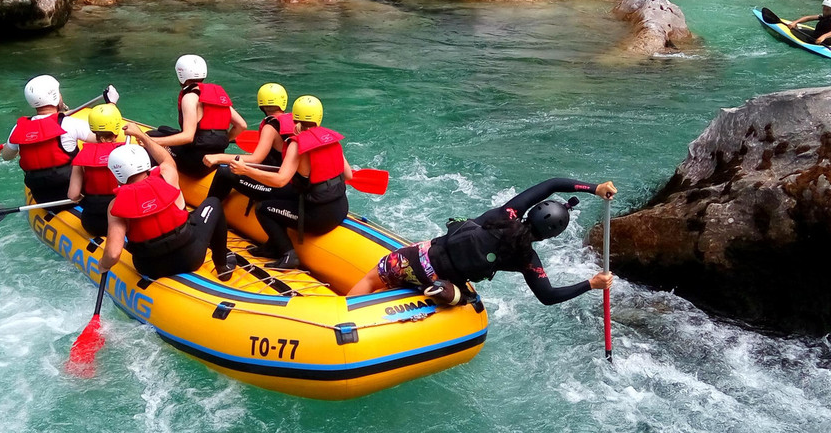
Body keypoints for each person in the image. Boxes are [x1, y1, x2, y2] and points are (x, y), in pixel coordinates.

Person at [347, 177, 617, 305]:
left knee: (373, 278)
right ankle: (444, 294)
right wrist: (590, 284)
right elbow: (548, 296)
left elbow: (552, 183)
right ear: (550, 236)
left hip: (415, 260)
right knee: (463, 295)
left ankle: (347, 313)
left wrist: (595, 188)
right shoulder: (527, 260)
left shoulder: (506, 213)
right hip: (441, 281)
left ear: (534, 210)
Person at [228, 95, 352, 270]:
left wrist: (245, 170)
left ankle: (288, 255)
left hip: (320, 218)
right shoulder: (331, 139)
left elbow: (280, 180)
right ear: (319, 117)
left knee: (264, 208)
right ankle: (271, 246)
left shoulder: (297, 144)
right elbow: (348, 175)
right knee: (288, 197)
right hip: (341, 208)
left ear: (294, 118)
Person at [99, 123, 236, 282]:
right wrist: (142, 136)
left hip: (149, 268)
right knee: (213, 202)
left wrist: (104, 264)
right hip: (190, 258)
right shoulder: (167, 177)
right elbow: (165, 158)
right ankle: (222, 266)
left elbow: (113, 253)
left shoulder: (115, 205)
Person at [147, 54, 248, 177]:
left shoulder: (190, 97)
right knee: (161, 131)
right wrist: (219, 140)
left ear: (180, 74)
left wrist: (150, 142)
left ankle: (157, 183)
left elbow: (188, 137)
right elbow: (241, 125)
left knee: (150, 141)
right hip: (215, 159)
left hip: (195, 164)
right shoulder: (215, 96)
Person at [1, 75, 95, 204]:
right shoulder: (70, 123)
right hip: (76, 194)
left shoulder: (19, 128)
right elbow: (103, 139)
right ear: (55, 96)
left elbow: (6, 156)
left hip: (42, 198)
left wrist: (18, 147)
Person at [203, 82, 298, 202]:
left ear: (261, 105)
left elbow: (256, 159)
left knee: (225, 171)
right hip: (292, 182)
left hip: (277, 186)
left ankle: (208, 208)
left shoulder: (270, 128)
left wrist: (219, 157)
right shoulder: (295, 122)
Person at [67, 103, 127, 237]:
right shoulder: (128, 152)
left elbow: (73, 195)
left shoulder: (82, 155)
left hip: (93, 223)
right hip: (122, 220)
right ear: (117, 127)